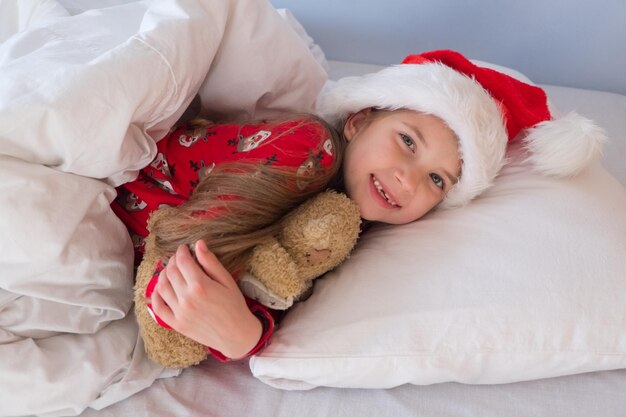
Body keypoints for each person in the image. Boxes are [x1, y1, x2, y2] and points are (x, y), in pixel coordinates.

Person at [113, 49, 604, 363]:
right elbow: (184, 245)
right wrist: (242, 337)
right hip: (130, 199)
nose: (407, 180)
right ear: (357, 121)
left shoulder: (346, 224)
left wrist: (248, 332)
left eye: (437, 179)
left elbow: (276, 279)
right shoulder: (309, 148)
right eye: (407, 141)